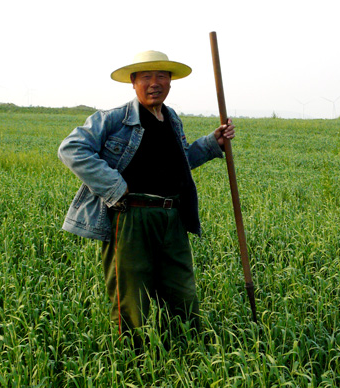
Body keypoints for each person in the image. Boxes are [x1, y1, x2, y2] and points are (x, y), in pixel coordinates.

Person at [58, 50, 235, 346]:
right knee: (132, 295)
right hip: (131, 217)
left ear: (170, 82)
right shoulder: (113, 119)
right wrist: (114, 187)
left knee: (182, 292)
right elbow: (71, 148)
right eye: (147, 77)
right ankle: (134, 360)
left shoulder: (171, 119)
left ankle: (186, 351)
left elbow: (180, 161)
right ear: (133, 82)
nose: (155, 83)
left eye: (162, 76)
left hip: (173, 216)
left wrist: (211, 143)